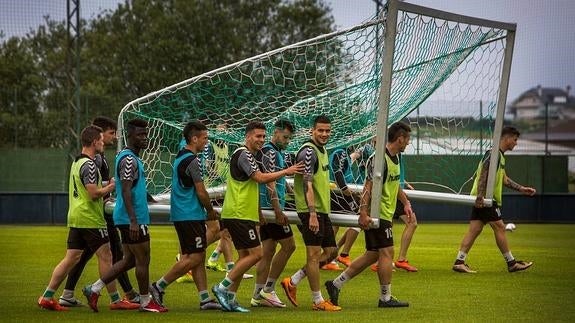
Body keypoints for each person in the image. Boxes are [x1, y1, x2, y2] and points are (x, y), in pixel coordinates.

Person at [211, 121, 303, 313]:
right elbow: (260, 178)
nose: (261, 140)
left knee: (245, 257)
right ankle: (222, 287)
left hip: (244, 213)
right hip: (238, 213)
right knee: (258, 254)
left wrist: (259, 212)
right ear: (248, 136)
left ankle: (232, 298)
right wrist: (287, 171)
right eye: (257, 136)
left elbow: (253, 186)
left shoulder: (250, 154)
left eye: (263, 136)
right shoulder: (243, 154)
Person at [324, 121, 412, 308]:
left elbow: (394, 186)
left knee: (372, 255)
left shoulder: (395, 158)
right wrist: (363, 213)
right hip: (377, 214)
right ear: (400, 139)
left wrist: (406, 203)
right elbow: (367, 187)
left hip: (385, 214)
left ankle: (335, 284)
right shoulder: (379, 159)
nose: (408, 143)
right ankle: (385, 298)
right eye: (407, 139)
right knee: (387, 252)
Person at [82, 118, 167, 313]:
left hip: (128, 216)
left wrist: (151, 199)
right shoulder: (129, 159)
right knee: (143, 259)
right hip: (132, 218)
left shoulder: (128, 156)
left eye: (146, 134)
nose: (144, 138)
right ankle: (146, 302)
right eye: (140, 135)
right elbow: (126, 190)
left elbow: (131, 186)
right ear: (130, 136)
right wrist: (134, 221)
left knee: (129, 260)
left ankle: (94, 289)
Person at [58, 116, 140, 307]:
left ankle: (63, 294)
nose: (113, 138)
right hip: (97, 214)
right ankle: (124, 296)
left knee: (82, 255)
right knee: (114, 254)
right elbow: (93, 190)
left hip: (89, 214)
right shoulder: (93, 160)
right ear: (98, 137)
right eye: (111, 134)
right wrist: (111, 187)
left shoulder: (92, 159)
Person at [37, 125, 117, 311]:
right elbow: (94, 193)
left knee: (70, 258)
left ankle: (47, 296)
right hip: (90, 218)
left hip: (77, 216)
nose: (103, 142)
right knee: (107, 257)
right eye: (101, 139)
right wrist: (111, 187)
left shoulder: (77, 162)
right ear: (94, 141)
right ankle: (115, 300)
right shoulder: (89, 164)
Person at [149, 121, 221, 310]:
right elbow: (201, 191)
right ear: (194, 138)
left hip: (184, 213)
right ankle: (158, 286)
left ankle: (205, 299)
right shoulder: (192, 160)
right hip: (189, 214)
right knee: (195, 257)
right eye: (205, 138)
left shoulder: (181, 156)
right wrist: (210, 211)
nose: (207, 142)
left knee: (198, 255)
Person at [452, 126, 535, 274]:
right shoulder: (493, 154)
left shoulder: (500, 156)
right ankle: (512, 263)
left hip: (483, 198)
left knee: (475, 229)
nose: (516, 143)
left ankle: (459, 262)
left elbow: (504, 179)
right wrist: (481, 196)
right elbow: (484, 173)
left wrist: (522, 188)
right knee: (500, 227)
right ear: (506, 138)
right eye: (515, 140)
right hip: (485, 199)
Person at [280, 115, 342, 312]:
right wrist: (313, 214)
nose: (324, 134)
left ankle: (293, 280)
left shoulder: (322, 150)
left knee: (332, 252)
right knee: (314, 255)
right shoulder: (308, 152)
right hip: (310, 211)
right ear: (312, 131)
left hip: (322, 211)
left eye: (327, 131)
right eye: (320, 130)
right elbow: (307, 184)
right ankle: (317, 301)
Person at [250, 119, 297, 308]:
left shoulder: (275, 152)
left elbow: (278, 178)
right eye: (285, 137)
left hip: (267, 208)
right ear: (276, 133)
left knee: (268, 252)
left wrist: (291, 193)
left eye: (289, 138)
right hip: (271, 209)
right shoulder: (269, 151)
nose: (287, 141)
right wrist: (277, 210)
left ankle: (256, 295)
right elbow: (269, 182)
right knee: (289, 246)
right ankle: (268, 289)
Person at [370, 154, 419, 273]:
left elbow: (394, 176)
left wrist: (405, 184)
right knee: (412, 222)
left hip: (395, 193)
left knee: (398, 224)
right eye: (406, 138)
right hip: (390, 195)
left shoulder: (396, 155)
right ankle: (396, 260)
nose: (407, 142)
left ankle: (383, 261)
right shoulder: (382, 155)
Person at [329, 145, 361, 270]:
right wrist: (344, 189)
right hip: (339, 193)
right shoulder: (341, 152)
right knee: (358, 219)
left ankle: (332, 255)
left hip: (337, 192)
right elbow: (337, 171)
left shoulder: (343, 153)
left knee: (335, 224)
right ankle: (340, 254)